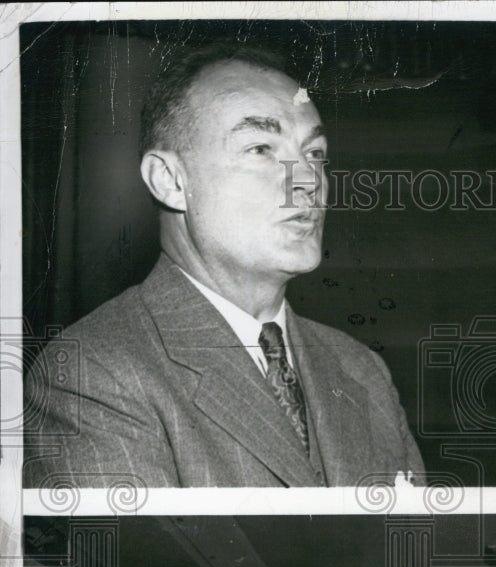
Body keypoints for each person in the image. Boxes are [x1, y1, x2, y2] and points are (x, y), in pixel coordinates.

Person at [24, 42, 424, 489]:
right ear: (171, 181)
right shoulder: (93, 375)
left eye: (315, 154)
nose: (309, 180)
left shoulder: (360, 369)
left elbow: (417, 554)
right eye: (260, 149)